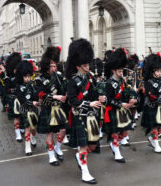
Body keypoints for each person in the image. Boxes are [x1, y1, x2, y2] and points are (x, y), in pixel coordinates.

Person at [66, 38, 102, 184]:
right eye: (85, 65)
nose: (88, 67)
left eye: (88, 64)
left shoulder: (91, 77)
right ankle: (85, 172)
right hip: (80, 117)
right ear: (78, 65)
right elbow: (72, 101)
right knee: (83, 146)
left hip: (92, 116)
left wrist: (101, 95)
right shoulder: (72, 81)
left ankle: (80, 158)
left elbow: (95, 92)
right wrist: (89, 103)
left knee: (92, 145)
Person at [36, 46, 67, 166]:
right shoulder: (40, 79)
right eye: (51, 66)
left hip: (58, 108)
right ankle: (51, 155)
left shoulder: (58, 76)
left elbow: (63, 89)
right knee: (50, 133)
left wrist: (65, 94)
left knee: (63, 130)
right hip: (48, 108)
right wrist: (55, 97)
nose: (54, 68)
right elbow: (40, 94)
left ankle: (58, 148)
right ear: (46, 66)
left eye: (55, 65)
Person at [103, 48, 135, 162]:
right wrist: (122, 104)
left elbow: (129, 92)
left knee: (125, 131)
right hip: (113, 110)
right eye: (120, 71)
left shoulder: (122, 81)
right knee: (115, 132)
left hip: (123, 109)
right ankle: (116, 151)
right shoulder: (108, 84)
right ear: (114, 71)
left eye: (122, 70)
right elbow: (108, 100)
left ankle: (114, 144)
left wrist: (133, 99)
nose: (122, 73)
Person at [141, 53, 161, 153]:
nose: (159, 73)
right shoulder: (148, 82)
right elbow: (151, 95)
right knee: (154, 127)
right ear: (152, 71)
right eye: (157, 71)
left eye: (160, 70)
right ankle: (156, 145)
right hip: (151, 106)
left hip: (160, 107)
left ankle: (152, 139)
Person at [15, 61, 39, 156]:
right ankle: (27, 146)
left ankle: (33, 137)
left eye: (29, 76)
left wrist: (37, 99)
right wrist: (31, 102)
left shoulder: (32, 84)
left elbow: (36, 96)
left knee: (34, 128)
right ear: (22, 76)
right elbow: (21, 100)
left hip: (34, 109)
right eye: (25, 77)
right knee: (27, 128)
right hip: (25, 109)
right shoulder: (19, 87)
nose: (27, 78)